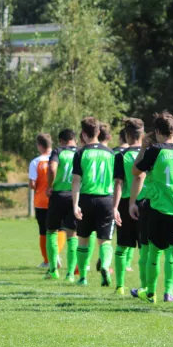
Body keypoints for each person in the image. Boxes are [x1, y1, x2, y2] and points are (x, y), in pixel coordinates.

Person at [130, 112, 173, 309]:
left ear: (158, 131)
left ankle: (150, 293)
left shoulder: (155, 150)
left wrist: (143, 148)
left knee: (154, 253)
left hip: (158, 208)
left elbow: (135, 171)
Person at [72, 117, 116, 286]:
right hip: (106, 200)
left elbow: (76, 180)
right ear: (99, 132)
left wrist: (75, 205)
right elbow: (117, 180)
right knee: (105, 240)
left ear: (83, 134)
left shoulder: (81, 153)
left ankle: (82, 277)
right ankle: (104, 265)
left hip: (86, 199)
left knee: (83, 239)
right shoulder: (111, 154)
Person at [112, 118, 144, 294]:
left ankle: (120, 286)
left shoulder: (121, 156)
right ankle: (146, 286)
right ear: (143, 134)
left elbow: (119, 183)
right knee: (145, 248)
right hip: (147, 202)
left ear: (126, 135)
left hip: (126, 203)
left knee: (122, 245)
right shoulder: (150, 153)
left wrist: (115, 207)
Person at [45, 129, 78, 282]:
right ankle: (71, 273)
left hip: (58, 195)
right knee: (72, 234)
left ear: (61, 140)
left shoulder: (58, 151)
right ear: (74, 139)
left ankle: (53, 270)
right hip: (74, 196)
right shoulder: (80, 151)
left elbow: (52, 168)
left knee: (52, 231)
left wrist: (49, 185)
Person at [28, 133, 52, 268]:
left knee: (43, 231)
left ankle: (47, 260)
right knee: (58, 230)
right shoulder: (57, 158)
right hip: (56, 199)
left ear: (40, 146)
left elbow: (32, 184)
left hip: (41, 201)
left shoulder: (36, 162)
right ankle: (56, 255)